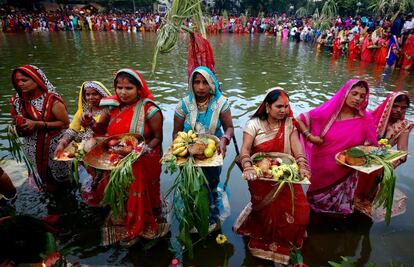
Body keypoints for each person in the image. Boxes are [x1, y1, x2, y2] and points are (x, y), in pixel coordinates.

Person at [81, 68, 166, 245]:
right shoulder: (111, 107)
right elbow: (101, 130)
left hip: (143, 157)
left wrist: (139, 152)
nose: (123, 92)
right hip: (117, 157)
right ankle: (124, 213)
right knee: (120, 191)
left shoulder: (150, 110)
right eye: (119, 87)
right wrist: (89, 123)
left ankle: (143, 218)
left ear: (139, 89)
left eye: (128, 88)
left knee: (142, 189)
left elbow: (157, 138)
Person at [233, 88, 310, 265]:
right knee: (267, 217)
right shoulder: (253, 124)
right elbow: (245, 149)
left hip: (285, 175)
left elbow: (297, 148)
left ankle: (287, 241)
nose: (284, 110)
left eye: (286, 106)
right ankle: (267, 243)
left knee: (302, 211)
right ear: (267, 107)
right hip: (261, 177)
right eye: (279, 106)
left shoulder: (289, 124)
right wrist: (247, 166)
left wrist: (303, 165)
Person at [297, 79, 377, 216]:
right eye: (354, 94)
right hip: (321, 170)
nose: (358, 98)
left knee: (339, 213)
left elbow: (370, 146)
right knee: (314, 208)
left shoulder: (365, 120)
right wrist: (310, 137)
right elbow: (299, 120)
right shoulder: (327, 113)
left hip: (345, 173)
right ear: (345, 93)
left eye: (362, 96)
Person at [173, 66, 234, 228]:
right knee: (190, 184)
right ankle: (192, 211)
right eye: (197, 82)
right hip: (188, 151)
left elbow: (229, 128)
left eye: (205, 83)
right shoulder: (183, 105)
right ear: (191, 84)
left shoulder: (221, 103)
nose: (201, 87)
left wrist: (224, 140)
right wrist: (181, 149)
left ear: (212, 84)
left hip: (213, 151)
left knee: (212, 183)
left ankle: (211, 212)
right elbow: (175, 133)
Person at [10, 65, 70, 191]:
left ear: (36, 80)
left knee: (62, 182)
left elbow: (65, 124)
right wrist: (16, 127)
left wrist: (37, 124)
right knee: (45, 178)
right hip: (33, 147)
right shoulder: (19, 100)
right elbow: (16, 118)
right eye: (17, 81)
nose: (20, 84)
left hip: (53, 147)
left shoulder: (52, 100)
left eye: (24, 80)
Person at [355, 92, 412, 218]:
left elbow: (402, 151)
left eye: (403, 108)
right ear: (388, 105)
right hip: (358, 160)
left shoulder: (404, 126)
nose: (399, 110)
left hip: (379, 165)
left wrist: (390, 165)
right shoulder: (370, 118)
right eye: (395, 106)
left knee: (366, 197)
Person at [55, 81, 111, 155]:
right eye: (88, 95)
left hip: (101, 151)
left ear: (102, 95)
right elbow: (73, 130)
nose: (91, 97)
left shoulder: (108, 112)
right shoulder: (82, 112)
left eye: (95, 94)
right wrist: (62, 142)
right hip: (81, 149)